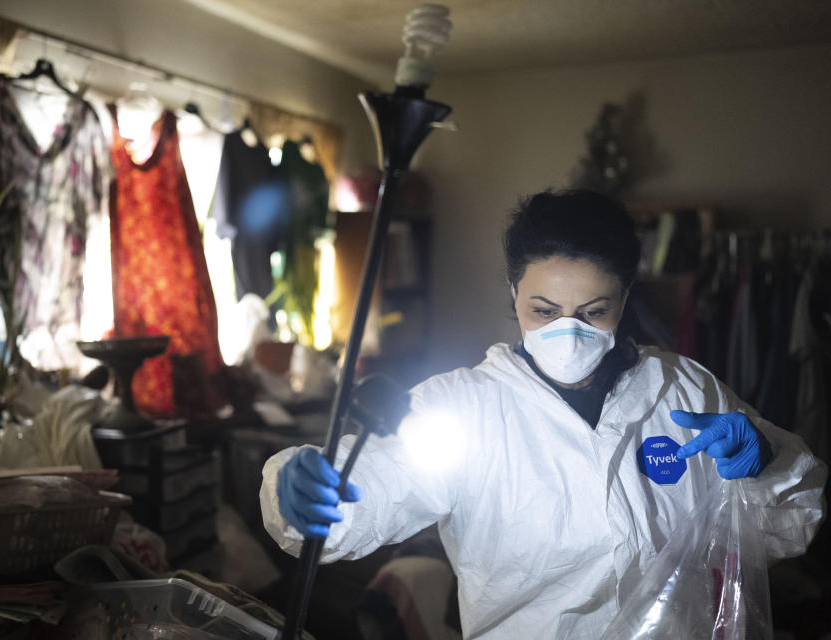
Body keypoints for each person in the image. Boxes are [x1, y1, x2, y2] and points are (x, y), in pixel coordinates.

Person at [259, 190, 827, 639]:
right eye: (544, 310)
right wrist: (305, 487)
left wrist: (765, 465)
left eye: (593, 311)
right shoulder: (466, 409)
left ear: (625, 300)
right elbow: (374, 489)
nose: (568, 332)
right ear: (513, 295)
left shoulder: (683, 390)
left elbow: (787, 527)